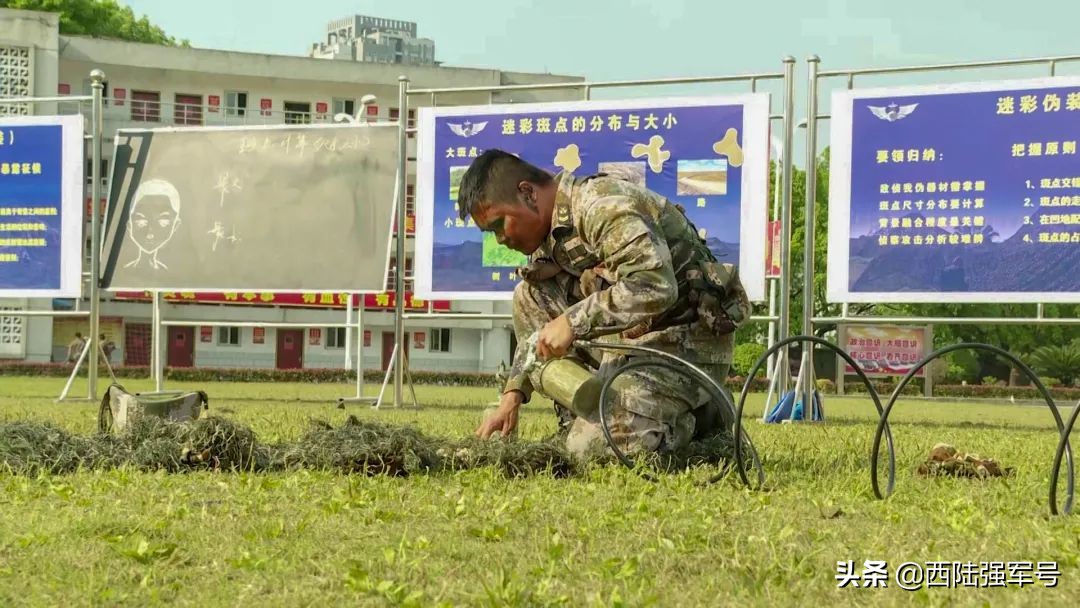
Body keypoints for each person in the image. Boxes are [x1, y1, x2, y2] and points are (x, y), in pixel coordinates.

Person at [463, 149, 750, 459]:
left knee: (593, 449)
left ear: (528, 193)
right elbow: (535, 329)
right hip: (631, 344)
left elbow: (655, 285)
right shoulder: (550, 238)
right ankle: (581, 418)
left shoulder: (601, 205)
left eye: (499, 225)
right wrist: (512, 395)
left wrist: (572, 322)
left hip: (684, 346)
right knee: (529, 294)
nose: (499, 239)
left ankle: (703, 416)